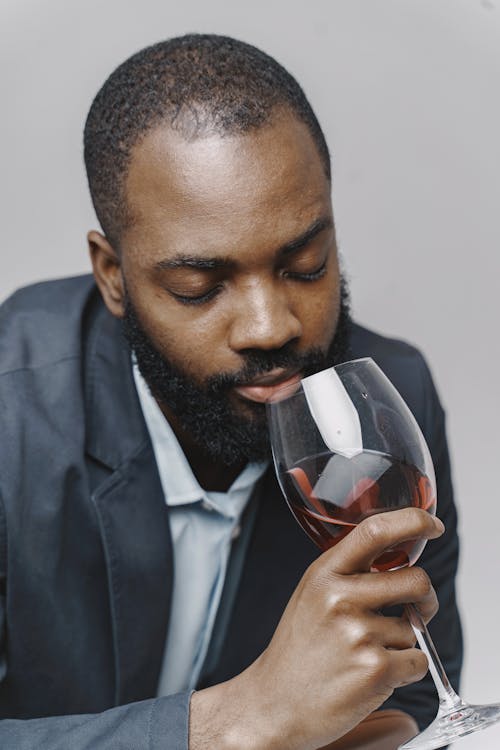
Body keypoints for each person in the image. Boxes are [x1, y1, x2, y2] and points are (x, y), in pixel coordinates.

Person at [0, 34, 461, 750]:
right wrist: (237, 723)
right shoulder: (12, 418)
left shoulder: (389, 403)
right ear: (112, 275)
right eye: (199, 287)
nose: (271, 327)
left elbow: (414, 690)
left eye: (307, 265)